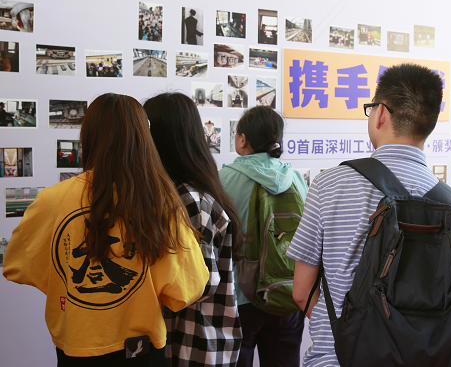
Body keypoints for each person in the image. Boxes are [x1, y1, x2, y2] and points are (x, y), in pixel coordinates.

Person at [3, 93, 210, 367]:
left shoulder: (51, 200)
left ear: (87, 136)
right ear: (143, 138)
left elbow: (16, 266)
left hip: (75, 347)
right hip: (140, 351)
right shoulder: (160, 202)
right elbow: (188, 289)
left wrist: (67, 286)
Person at [287, 63, 451, 366]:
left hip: (337, 358)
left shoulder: (329, 185)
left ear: (380, 113)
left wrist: (341, 329)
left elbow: (302, 293)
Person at [144, 92, 243, 367]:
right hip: (196, 339)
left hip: (192, 342)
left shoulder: (187, 199)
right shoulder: (186, 192)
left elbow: (200, 285)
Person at [219, 106, 308, 367]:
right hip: (287, 292)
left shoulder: (223, 179)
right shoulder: (295, 178)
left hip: (240, 296)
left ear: (242, 139)